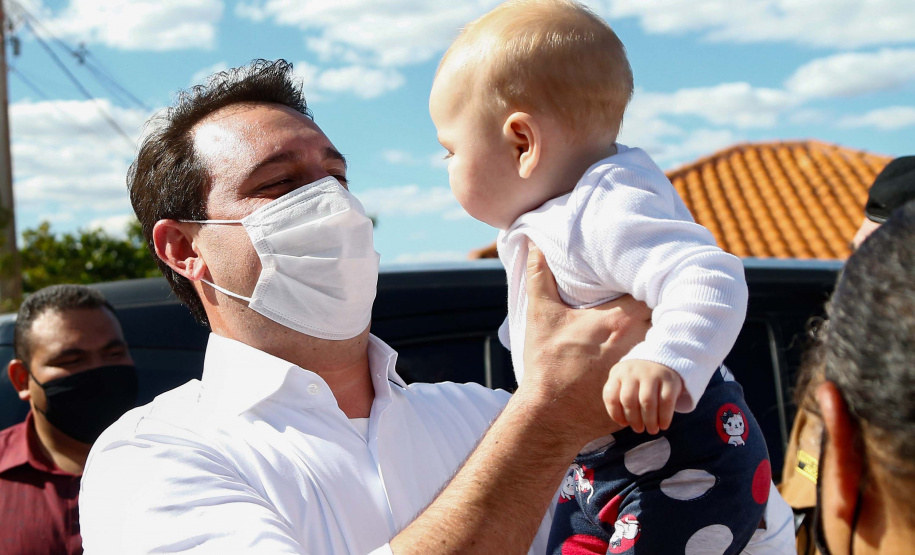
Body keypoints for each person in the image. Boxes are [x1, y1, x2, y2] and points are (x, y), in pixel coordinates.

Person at [77, 59, 655, 554]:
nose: (330, 204)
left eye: (337, 177)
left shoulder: (486, 416)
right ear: (184, 248)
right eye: (280, 185)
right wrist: (548, 421)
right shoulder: (153, 456)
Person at [429, 1, 792, 553]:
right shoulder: (555, 216)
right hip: (604, 471)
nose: (446, 167)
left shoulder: (604, 208)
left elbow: (709, 274)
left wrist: (664, 356)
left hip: (687, 470)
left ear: (522, 143)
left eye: (449, 150)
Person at [779, 154, 915, 554]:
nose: (851, 280)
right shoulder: (832, 368)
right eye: (856, 256)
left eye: (876, 266)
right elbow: (800, 490)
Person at [0, 284, 138, 555]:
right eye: (72, 360)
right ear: (21, 379)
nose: (99, 371)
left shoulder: (185, 456)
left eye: (114, 355)